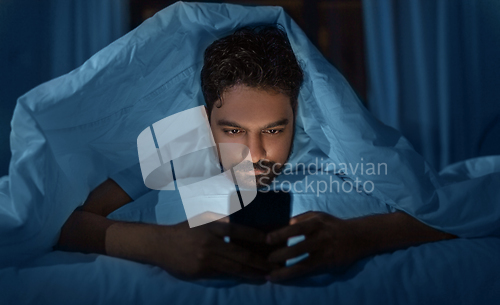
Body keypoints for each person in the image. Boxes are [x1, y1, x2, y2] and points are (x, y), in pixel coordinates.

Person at [55, 26, 456, 283]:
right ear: (207, 118)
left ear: (297, 117)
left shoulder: (336, 156)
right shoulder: (176, 149)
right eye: (233, 131)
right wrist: (159, 245)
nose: (256, 152)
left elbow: (452, 212)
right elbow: (65, 224)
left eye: (274, 130)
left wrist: (358, 236)